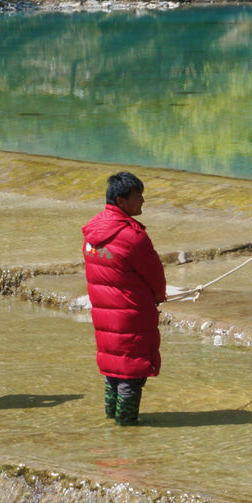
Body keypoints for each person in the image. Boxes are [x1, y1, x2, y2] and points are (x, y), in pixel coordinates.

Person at [82, 171, 167, 426]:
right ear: (121, 201)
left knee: (113, 369)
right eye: (137, 196)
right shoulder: (133, 236)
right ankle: (127, 427)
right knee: (132, 372)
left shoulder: (92, 232)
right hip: (131, 313)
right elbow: (155, 275)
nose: (142, 201)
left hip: (104, 314)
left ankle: (112, 421)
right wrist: (159, 296)